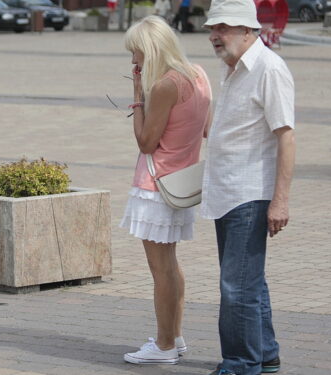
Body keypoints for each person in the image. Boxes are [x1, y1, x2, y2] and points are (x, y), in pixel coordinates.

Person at [202, 0, 295, 373]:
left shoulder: (268, 69)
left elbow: (286, 137)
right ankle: (265, 353)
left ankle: (241, 364)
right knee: (247, 282)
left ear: (247, 30)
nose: (213, 36)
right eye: (212, 29)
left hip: (249, 195)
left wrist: (280, 202)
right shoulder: (234, 68)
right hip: (227, 193)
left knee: (236, 288)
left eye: (222, 28)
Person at [119, 16, 212, 365]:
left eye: (137, 54)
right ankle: (174, 335)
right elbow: (206, 129)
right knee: (171, 266)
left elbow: (146, 142)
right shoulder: (199, 74)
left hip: (156, 186)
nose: (133, 63)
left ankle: (164, 345)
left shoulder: (164, 86)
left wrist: (137, 97)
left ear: (152, 50)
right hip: (182, 180)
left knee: (160, 270)